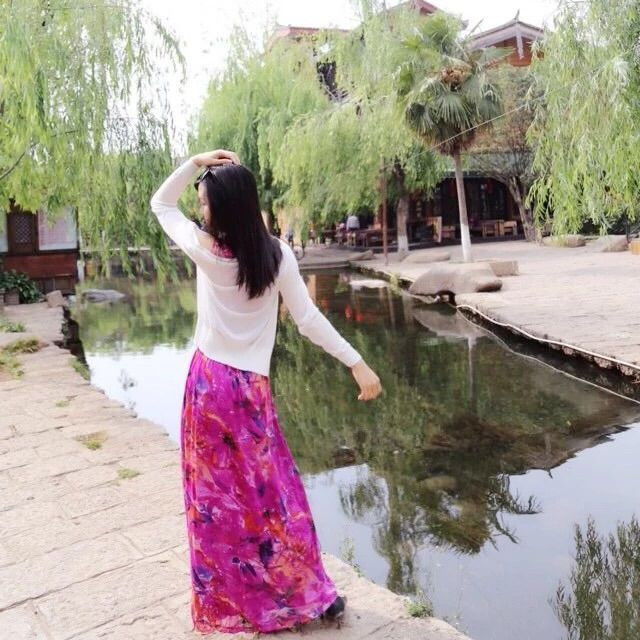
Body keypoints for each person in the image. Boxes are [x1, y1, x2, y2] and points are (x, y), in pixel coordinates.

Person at [149, 149, 382, 635]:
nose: (200, 211)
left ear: (225, 209)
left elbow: (160, 204)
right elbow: (308, 320)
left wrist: (194, 162)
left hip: (208, 387)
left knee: (215, 500)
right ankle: (308, 594)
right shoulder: (275, 256)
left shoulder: (204, 250)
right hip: (249, 393)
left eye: (206, 204)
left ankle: (237, 598)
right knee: (272, 495)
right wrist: (357, 363)